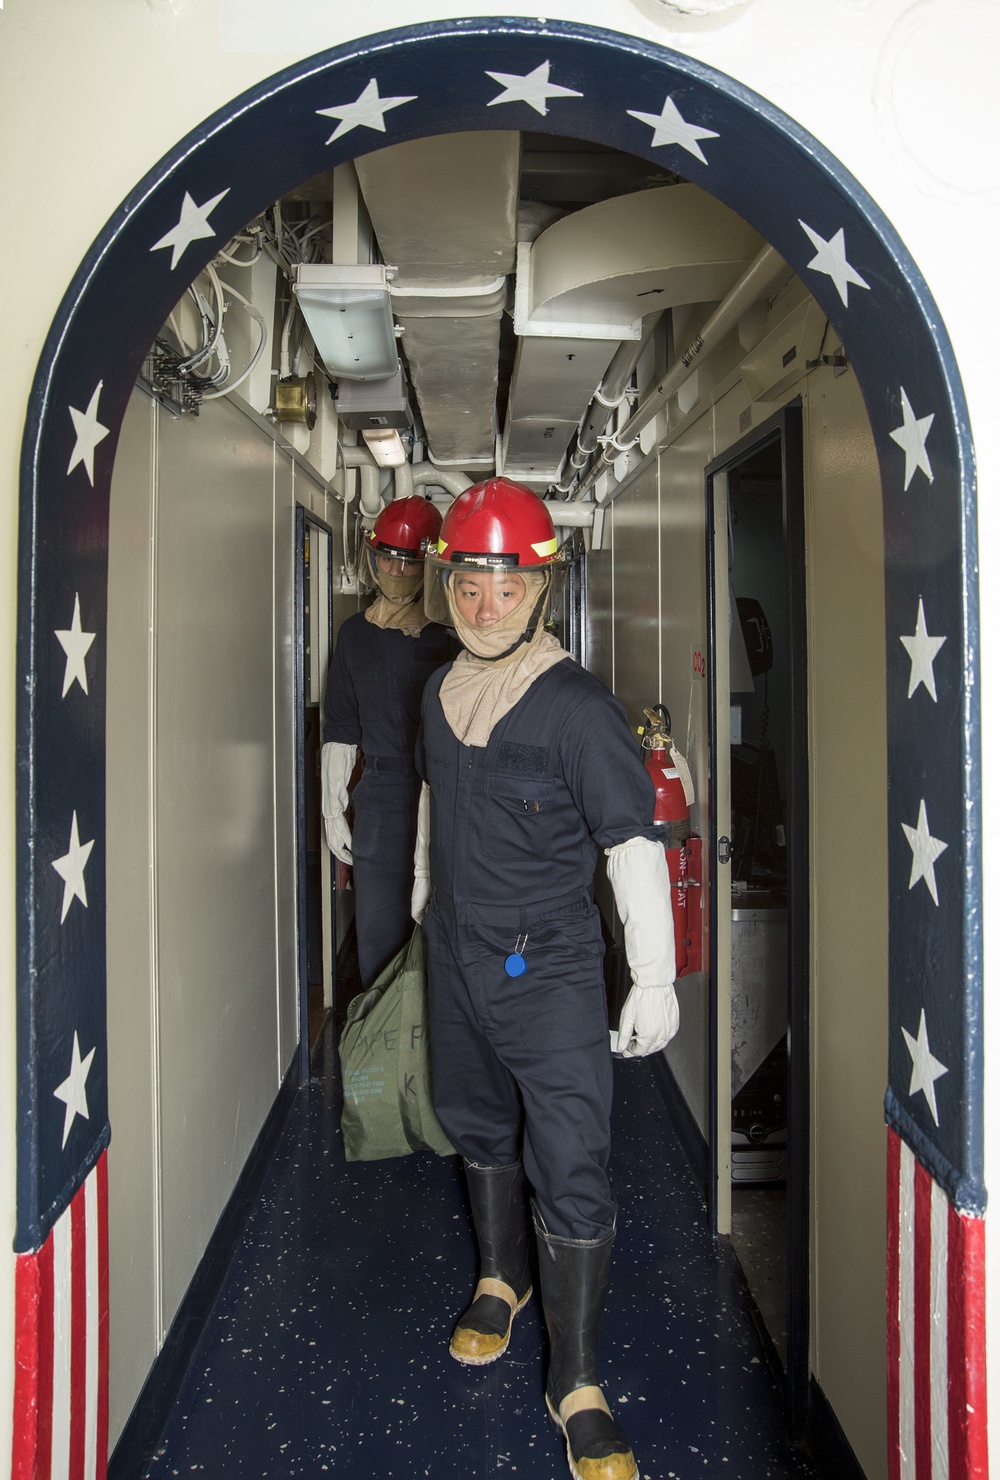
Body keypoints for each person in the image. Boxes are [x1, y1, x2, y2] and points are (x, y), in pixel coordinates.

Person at [411, 477, 679, 1480]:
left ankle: (576, 1381)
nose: (486, 606)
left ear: (541, 588)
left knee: (570, 1157)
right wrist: (425, 894)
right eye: (469, 584)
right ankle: (501, 1278)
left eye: (507, 586)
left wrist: (652, 978)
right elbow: (438, 800)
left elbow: (631, 844)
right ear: (447, 585)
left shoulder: (577, 708)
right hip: (454, 949)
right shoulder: (437, 690)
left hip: (549, 966)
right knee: (474, 1118)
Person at [321, 495, 456, 989]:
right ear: (372, 558)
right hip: (379, 797)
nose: (396, 570)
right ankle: (381, 1025)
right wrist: (332, 807)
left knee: (442, 922)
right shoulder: (355, 634)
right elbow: (340, 725)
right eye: (387, 558)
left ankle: (437, 1026)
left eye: (409, 561)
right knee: (378, 926)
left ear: (430, 565)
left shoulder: (453, 636)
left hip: (443, 794)